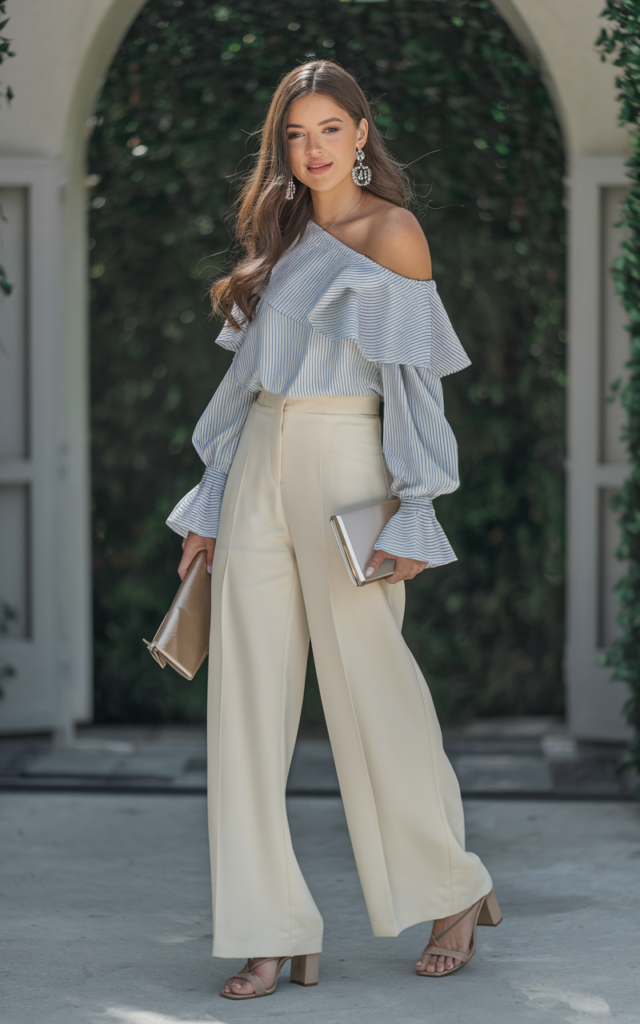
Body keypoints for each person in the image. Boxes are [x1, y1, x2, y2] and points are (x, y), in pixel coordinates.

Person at [167, 59, 501, 1001]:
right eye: (294, 134)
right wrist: (210, 504)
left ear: (361, 132)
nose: (311, 149)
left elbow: (414, 389)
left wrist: (418, 507)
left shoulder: (393, 233)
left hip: (350, 464)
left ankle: (451, 889)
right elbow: (243, 385)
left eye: (327, 129)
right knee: (245, 705)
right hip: (257, 464)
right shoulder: (282, 233)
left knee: (373, 688)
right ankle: (268, 930)